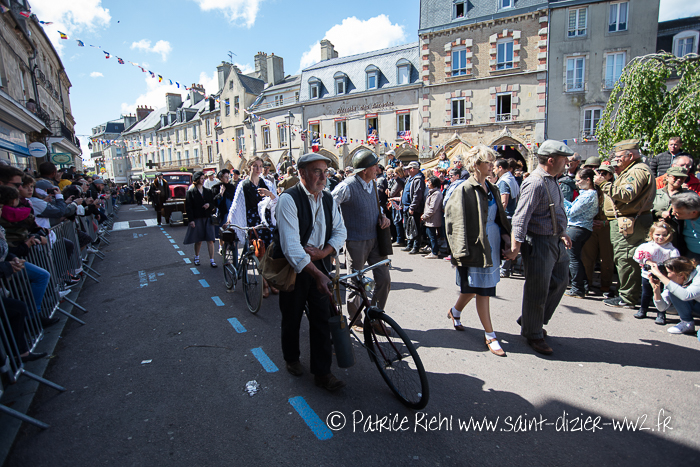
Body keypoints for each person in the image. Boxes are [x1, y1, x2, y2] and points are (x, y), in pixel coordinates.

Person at [274, 153, 347, 391]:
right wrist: (317, 273)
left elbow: (340, 231)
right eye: (317, 171)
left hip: (320, 266)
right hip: (294, 269)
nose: (324, 177)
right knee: (292, 316)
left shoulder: (328, 199)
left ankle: (322, 373)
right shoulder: (288, 199)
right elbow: (292, 247)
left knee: (322, 319)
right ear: (302, 173)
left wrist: (324, 252)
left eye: (325, 171)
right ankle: (291, 358)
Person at [504, 140, 574, 355]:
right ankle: (533, 332)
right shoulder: (535, 182)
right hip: (539, 242)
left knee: (561, 281)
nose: (567, 163)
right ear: (551, 160)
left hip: (555, 239)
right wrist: (515, 247)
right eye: (564, 159)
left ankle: (530, 319)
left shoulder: (552, 180)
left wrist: (562, 232)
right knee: (538, 288)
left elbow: (554, 210)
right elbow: (521, 217)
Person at [445, 145, 511, 357]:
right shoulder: (463, 189)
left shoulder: (493, 188)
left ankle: (455, 311)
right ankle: (490, 335)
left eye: (493, 162)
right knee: (483, 290)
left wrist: (506, 238)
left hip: (492, 241)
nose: (492, 166)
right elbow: (454, 223)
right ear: (476, 165)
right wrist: (459, 253)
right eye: (488, 162)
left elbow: (499, 217)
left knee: (476, 287)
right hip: (475, 245)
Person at [332, 149, 391, 331]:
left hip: (375, 240)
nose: (378, 169)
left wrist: (382, 216)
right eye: (375, 166)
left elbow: (376, 206)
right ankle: (355, 319)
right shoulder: (346, 186)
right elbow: (329, 206)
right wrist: (338, 230)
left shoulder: (372, 183)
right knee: (356, 283)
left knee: (384, 279)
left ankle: (375, 317)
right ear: (365, 170)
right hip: (355, 241)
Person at [595, 139, 656, 309]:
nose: (616, 160)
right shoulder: (633, 170)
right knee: (624, 258)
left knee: (626, 259)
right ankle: (626, 294)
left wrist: (603, 184)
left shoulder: (636, 171)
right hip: (628, 221)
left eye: (619, 157)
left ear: (630, 156)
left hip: (630, 222)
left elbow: (626, 195)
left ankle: (628, 298)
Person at [227, 157, 277, 296]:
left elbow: (276, 201)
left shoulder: (267, 183)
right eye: (255, 166)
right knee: (259, 252)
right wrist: (230, 218)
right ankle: (265, 284)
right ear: (249, 167)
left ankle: (271, 281)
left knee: (270, 253)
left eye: (260, 166)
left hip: (266, 220)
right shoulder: (243, 185)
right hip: (252, 221)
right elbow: (236, 204)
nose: (258, 169)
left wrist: (269, 194)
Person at [633, 221, 679, 324]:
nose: (661, 237)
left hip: (663, 277)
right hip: (647, 275)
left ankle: (661, 313)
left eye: (664, 235)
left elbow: (676, 262)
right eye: (657, 234)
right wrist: (646, 261)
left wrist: (666, 267)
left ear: (669, 235)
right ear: (651, 234)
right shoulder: (646, 246)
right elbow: (636, 257)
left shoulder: (671, 249)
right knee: (646, 293)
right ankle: (643, 309)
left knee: (661, 295)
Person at [581, 165, 616, 297]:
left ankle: (606, 285)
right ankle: (586, 284)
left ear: (610, 176)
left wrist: (605, 222)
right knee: (587, 257)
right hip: (591, 225)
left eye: (604, 173)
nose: (601, 175)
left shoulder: (613, 189)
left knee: (607, 258)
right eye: (599, 173)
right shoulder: (591, 189)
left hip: (607, 226)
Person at [563, 168, 599, 298]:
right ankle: (583, 286)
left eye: (578, 181)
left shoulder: (589, 195)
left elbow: (571, 212)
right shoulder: (587, 194)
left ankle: (577, 288)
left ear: (587, 180)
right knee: (576, 258)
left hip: (577, 228)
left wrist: (561, 200)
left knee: (573, 260)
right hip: (581, 228)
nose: (577, 183)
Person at [649, 257, 700, 338]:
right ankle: (687, 323)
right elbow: (662, 308)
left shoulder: (698, 274)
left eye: (667, 272)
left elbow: (686, 295)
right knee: (674, 291)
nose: (665, 275)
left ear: (681, 275)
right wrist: (656, 291)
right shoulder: (675, 280)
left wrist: (660, 275)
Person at [183, 171, 217, 267]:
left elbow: (213, 204)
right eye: (201, 178)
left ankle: (212, 260)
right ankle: (197, 257)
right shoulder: (190, 192)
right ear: (196, 180)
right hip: (197, 218)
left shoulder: (208, 191)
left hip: (207, 218)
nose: (203, 180)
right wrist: (191, 220)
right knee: (198, 240)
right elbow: (188, 207)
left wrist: (209, 205)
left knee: (210, 240)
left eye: (203, 178)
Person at [494, 159, 520, 277]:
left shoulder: (504, 181)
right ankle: (507, 267)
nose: (494, 170)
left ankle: (504, 269)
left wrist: (499, 216)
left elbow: (504, 201)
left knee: (506, 242)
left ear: (500, 168)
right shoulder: (511, 178)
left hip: (507, 216)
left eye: (495, 168)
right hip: (511, 214)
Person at [401, 161, 426, 254]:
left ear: (413, 169)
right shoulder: (410, 178)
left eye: (409, 169)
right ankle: (409, 244)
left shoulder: (418, 179)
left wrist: (412, 207)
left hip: (413, 208)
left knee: (415, 228)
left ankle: (416, 246)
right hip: (406, 206)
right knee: (408, 227)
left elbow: (417, 195)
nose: (407, 171)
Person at [211, 169, 237, 256]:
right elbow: (214, 202)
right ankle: (222, 247)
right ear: (221, 178)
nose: (227, 179)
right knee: (222, 231)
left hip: (231, 212)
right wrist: (221, 194)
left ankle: (234, 250)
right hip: (222, 213)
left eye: (228, 177)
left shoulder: (232, 187)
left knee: (232, 231)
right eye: (225, 177)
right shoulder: (215, 187)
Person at [669, 191, 700, 261]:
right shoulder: (680, 215)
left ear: (694, 212)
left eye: (677, 212)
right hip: (689, 252)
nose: (673, 213)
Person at [421, 177, 443, 259]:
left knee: (432, 236)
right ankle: (434, 250)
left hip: (433, 218)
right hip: (430, 218)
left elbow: (433, 208)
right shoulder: (432, 192)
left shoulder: (436, 194)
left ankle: (435, 252)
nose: (428, 184)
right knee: (430, 235)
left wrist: (425, 215)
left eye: (429, 182)